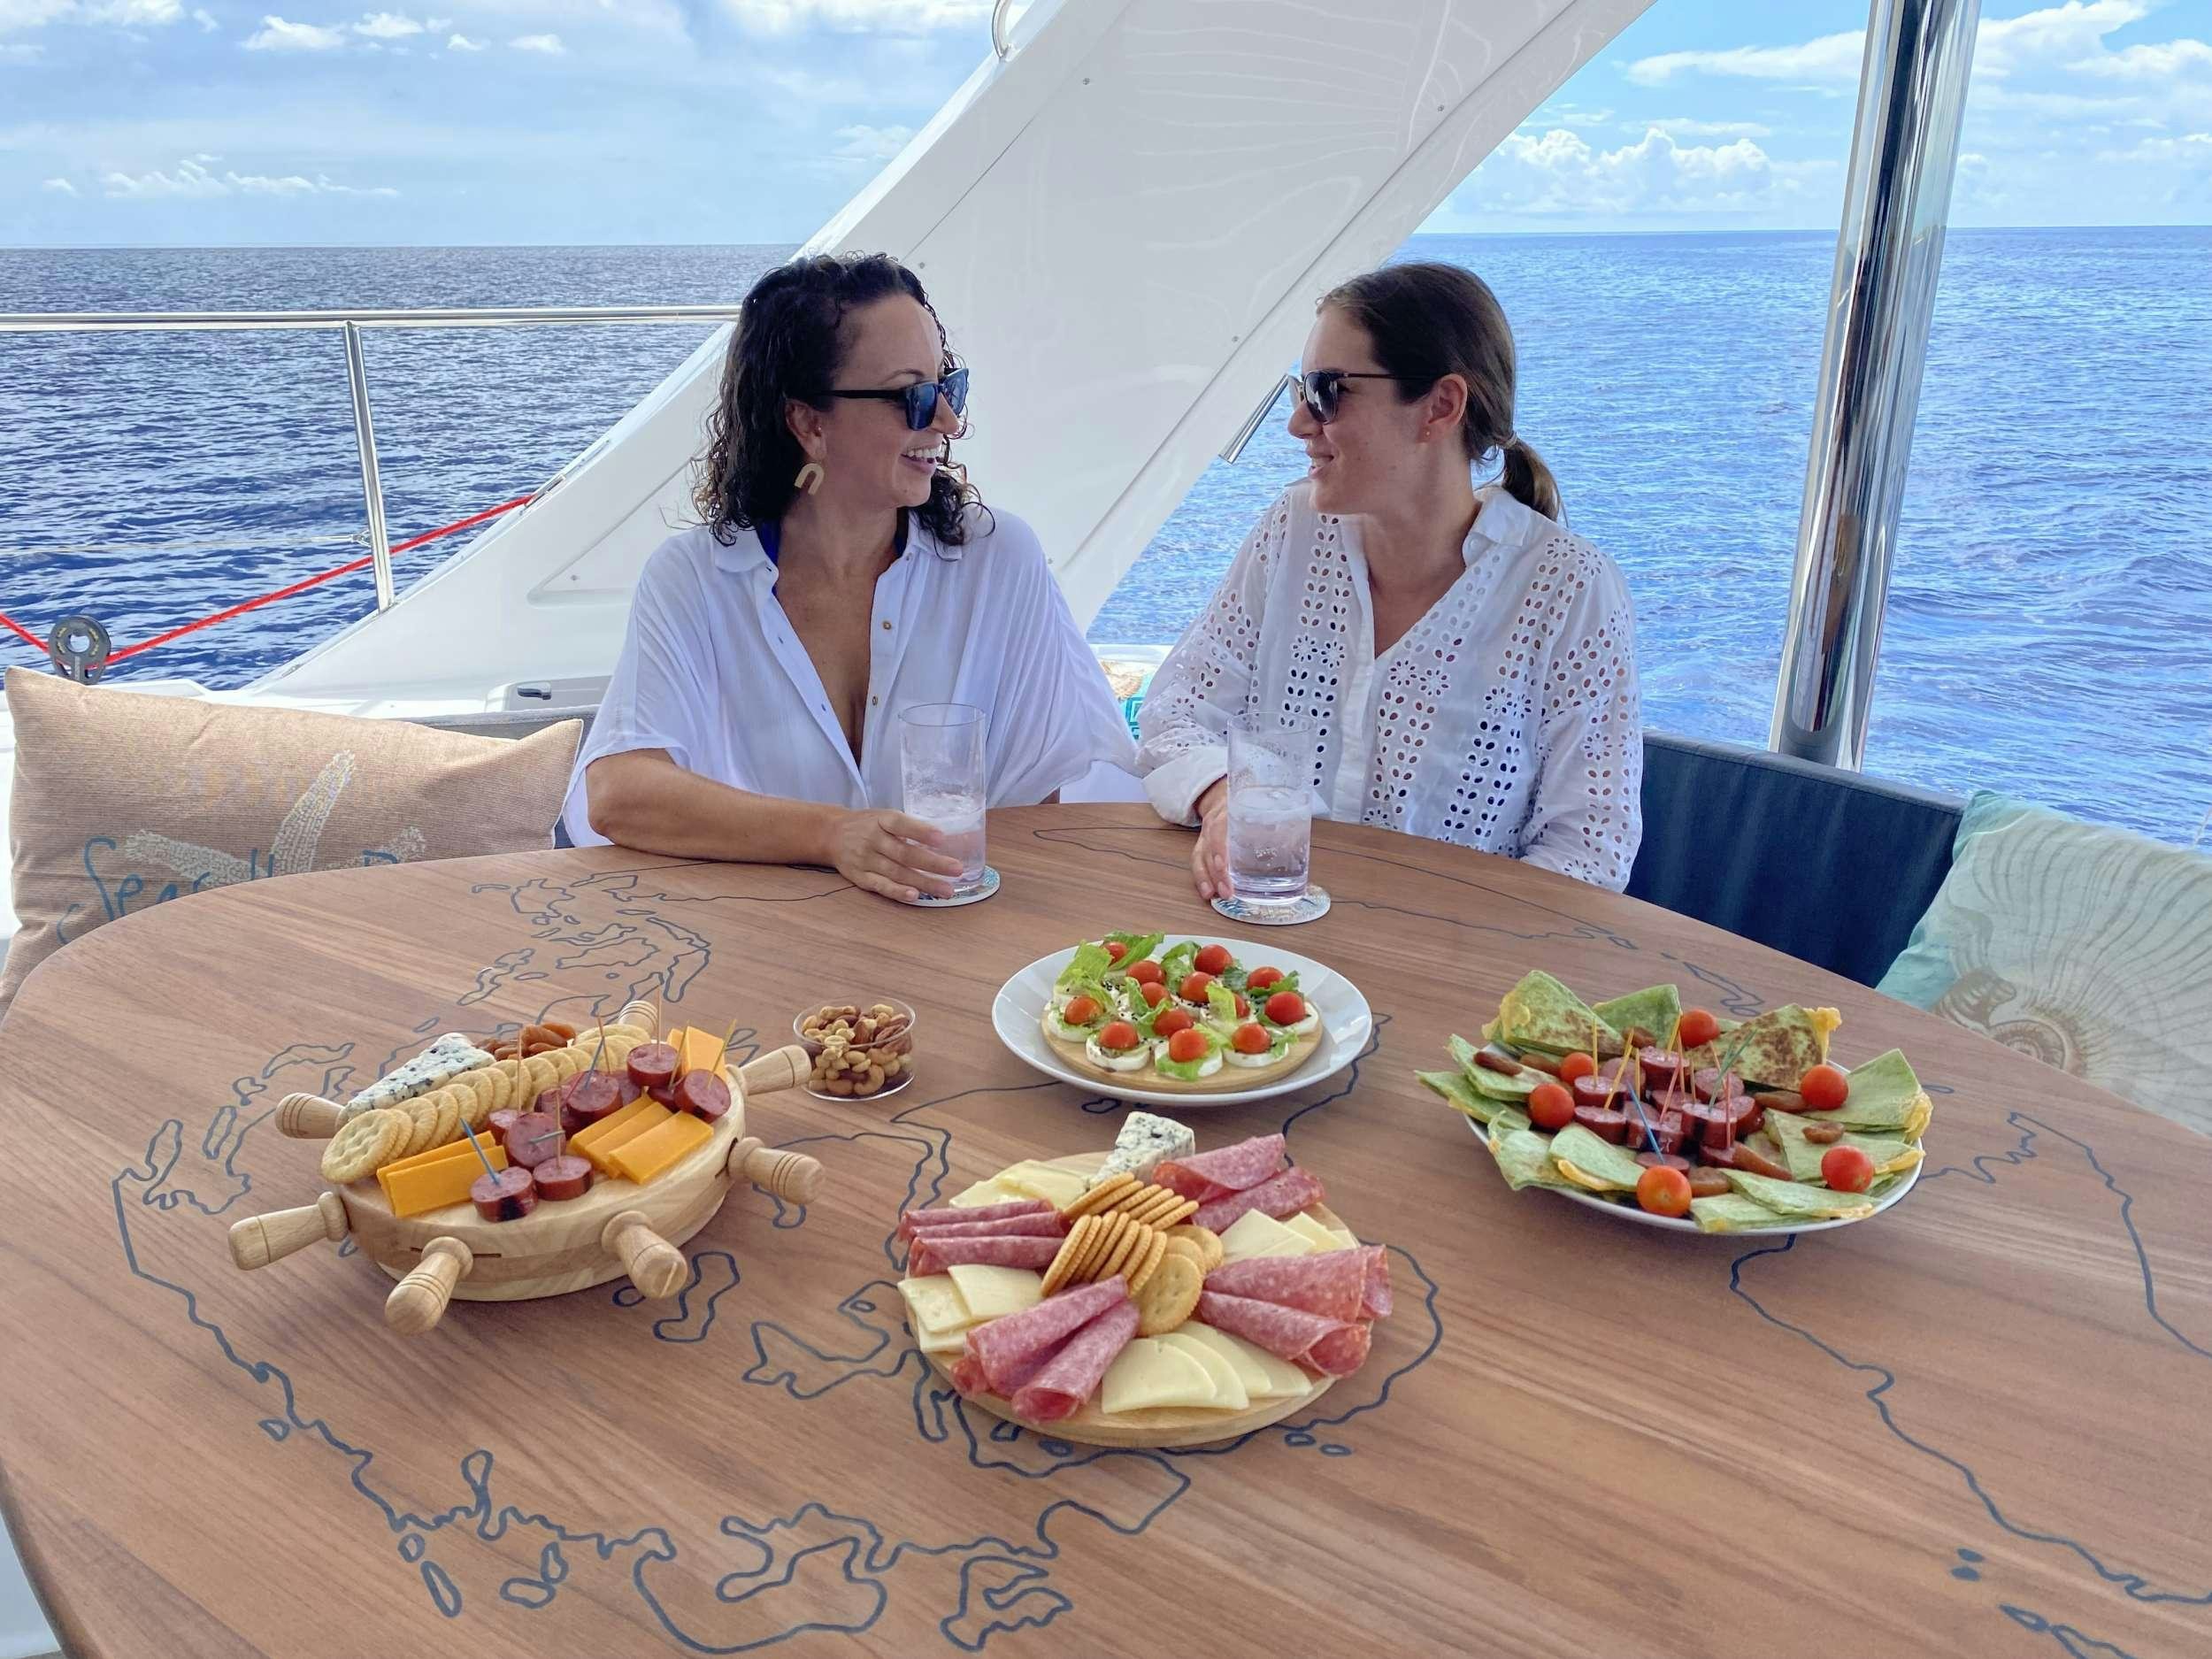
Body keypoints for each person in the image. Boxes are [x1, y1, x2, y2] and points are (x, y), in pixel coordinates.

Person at [567, 252, 1134, 902]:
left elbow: (1050, 789)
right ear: (808, 423)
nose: (948, 422)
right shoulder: (694, 579)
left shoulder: (999, 560)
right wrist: (833, 835)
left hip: (961, 927)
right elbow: (618, 792)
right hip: (773, 945)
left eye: (950, 387)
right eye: (914, 396)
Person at [1136, 261, 1643, 895]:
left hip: (1453, 968)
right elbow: (1177, 710)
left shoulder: (1568, 590)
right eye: (1300, 391)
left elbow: (1590, 849)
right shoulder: (1290, 531)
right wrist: (1222, 797)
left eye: (1326, 392)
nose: (1298, 423)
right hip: (1267, 946)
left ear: (1440, 406)